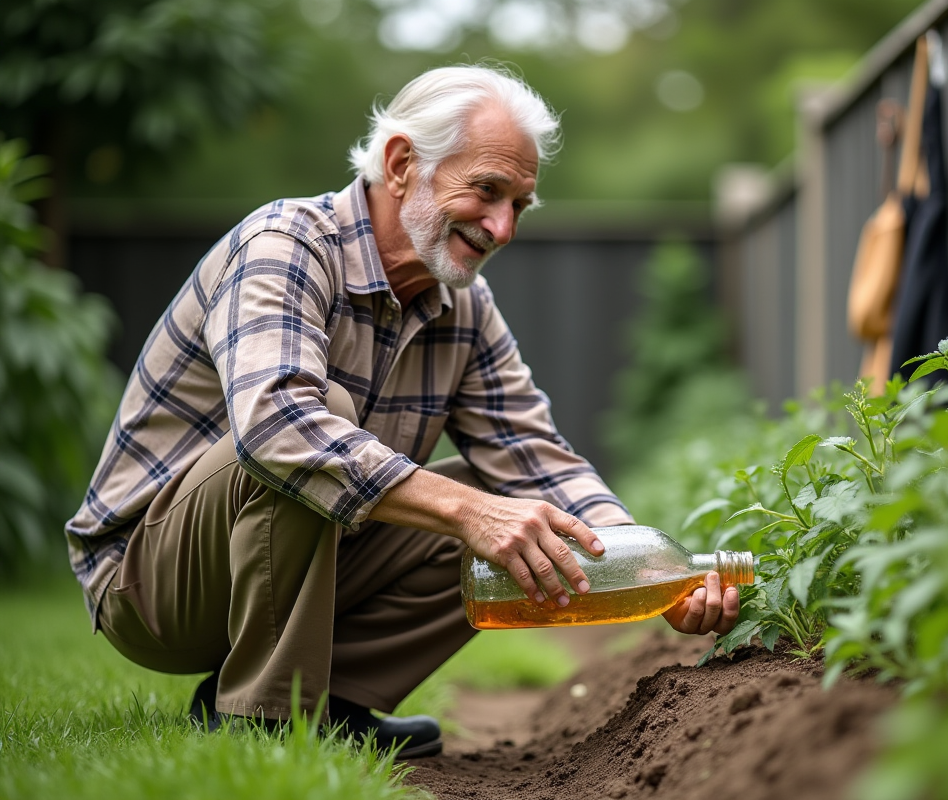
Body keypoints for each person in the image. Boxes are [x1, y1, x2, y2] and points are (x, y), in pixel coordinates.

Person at [64, 65, 740, 758]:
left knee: (504, 499)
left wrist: (645, 571)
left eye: (520, 205)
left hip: (300, 565)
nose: (503, 227)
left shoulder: (465, 308)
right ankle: (262, 722)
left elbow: (536, 458)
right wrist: (467, 513)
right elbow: (273, 426)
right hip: (153, 582)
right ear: (401, 164)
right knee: (318, 424)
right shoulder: (289, 245)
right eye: (486, 190)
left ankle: (334, 705)